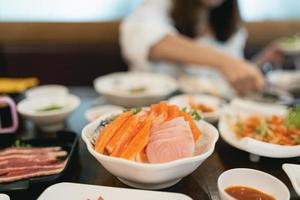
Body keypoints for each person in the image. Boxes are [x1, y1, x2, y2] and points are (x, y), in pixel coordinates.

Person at [120, 0, 279, 95]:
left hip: (209, 119)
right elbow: (144, 41)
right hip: (150, 111)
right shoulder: (159, 6)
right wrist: (223, 61)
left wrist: (259, 64)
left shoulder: (231, 26)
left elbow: (232, 77)